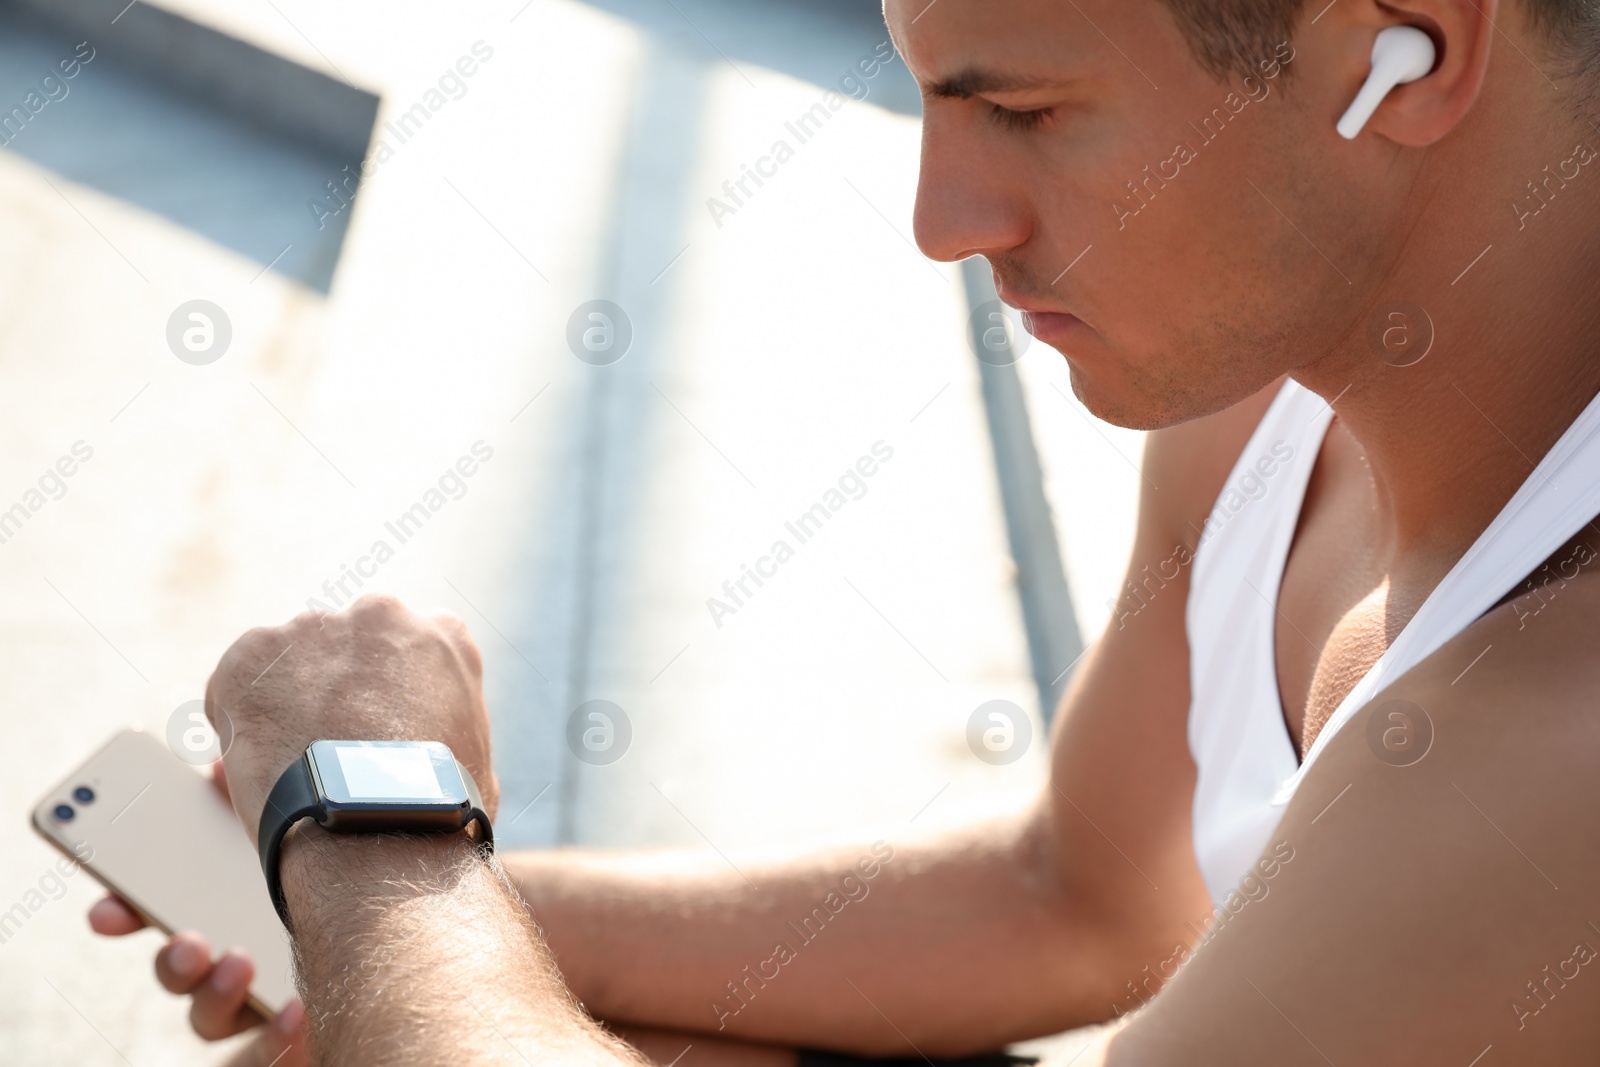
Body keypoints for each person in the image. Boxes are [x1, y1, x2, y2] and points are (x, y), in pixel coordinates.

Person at [89, 0, 1600, 1062]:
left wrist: (374, 846)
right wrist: (455, 932)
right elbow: (1077, 901)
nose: (943, 220)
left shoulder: (1554, 741)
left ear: (1407, 52)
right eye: (930, 96)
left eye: (1022, 109)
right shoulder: (1266, 385)